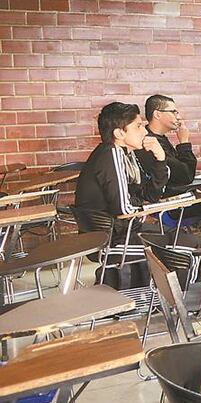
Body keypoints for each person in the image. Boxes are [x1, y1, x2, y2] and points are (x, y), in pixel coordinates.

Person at [75, 102, 168, 287]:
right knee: (185, 247)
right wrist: (143, 209)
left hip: (123, 232)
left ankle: (157, 300)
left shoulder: (126, 154)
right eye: (138, 126)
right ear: (119, 133)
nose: (144, 131)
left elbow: (149, 195)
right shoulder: (111, 154)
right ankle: (172, 304)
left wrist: (160, 159)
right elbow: (123, 208)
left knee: (183, 239)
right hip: (111, 240)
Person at [137, 94, 196, 192]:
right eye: (173, 112)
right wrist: (184, 142)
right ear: (157, 114)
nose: (178, 117)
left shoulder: (161, 139)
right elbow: (186, 176)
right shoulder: (150, 143)